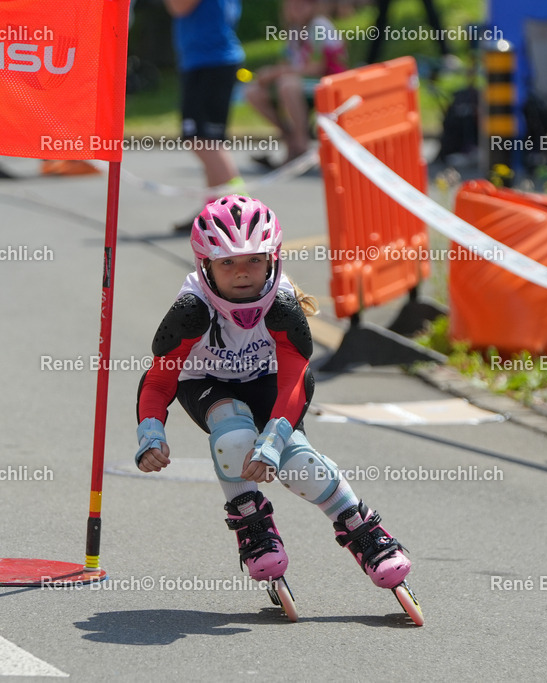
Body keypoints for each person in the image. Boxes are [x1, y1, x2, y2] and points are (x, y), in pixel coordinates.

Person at [134, 195, 413, 602]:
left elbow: (295, 378)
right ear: (204, 265)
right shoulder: (192, 309)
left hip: (271, 381)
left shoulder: (281, 304)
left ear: (273, 259)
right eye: (227, 262)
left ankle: (362, 527)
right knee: (233, 439)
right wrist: (151, 432)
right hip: (207, 383)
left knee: (295, 459)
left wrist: (275, 439)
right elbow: (159, 380)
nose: (242, 274)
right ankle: (250, 521)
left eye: (253, 260)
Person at [164, 0, 247, 232]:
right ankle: (214, 212)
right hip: (209, 59)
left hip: (210, 60)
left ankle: (240, 211)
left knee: (202, 139)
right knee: (208, 140)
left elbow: (178, 6)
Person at [246, 0, 347, 166]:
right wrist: (268, 74)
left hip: (329, 82)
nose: (296, 8)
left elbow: (316, 67)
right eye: (292, 4)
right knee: (254, 92)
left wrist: (277, 73)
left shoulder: (319, 26)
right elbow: (287, 62)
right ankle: (290, 139)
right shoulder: (295, 29)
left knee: (288, 85)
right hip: (303, 81)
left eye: (303, 4)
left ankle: (301, 144)